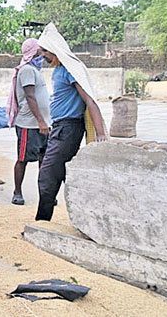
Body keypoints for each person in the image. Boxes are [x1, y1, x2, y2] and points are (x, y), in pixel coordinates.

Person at [35, 23, 107, 222]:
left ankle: (42, 223)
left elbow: (89, 100)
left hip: (68, 129)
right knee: (65, 175)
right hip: (60, 128)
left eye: (45, 51)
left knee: (47, 177)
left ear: (54, 50)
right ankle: (84, 220)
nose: (42, 55)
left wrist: (100, 134)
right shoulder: (59, 69)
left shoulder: (69, 70)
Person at [6, 38, 51, 206]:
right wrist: (40, 121)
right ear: (32, 53)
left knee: (44, 159)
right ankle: (17, 192)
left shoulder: (35, 71)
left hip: (42, 123)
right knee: (23, 159)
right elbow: (30, 97)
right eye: (40, 52)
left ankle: (44, 193)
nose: (42, 55)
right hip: (29, 124)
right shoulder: (26, 70)